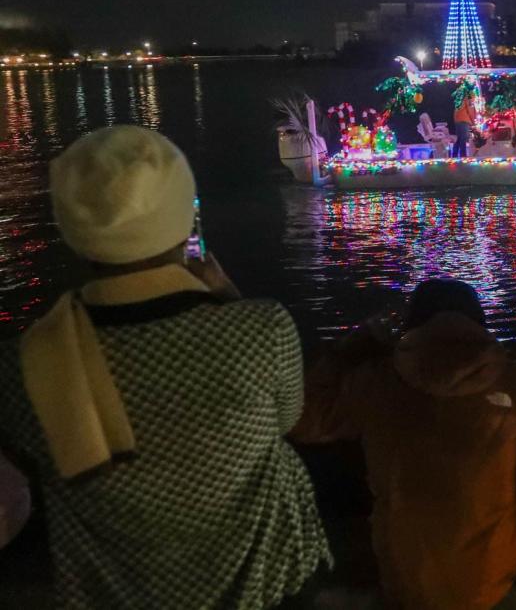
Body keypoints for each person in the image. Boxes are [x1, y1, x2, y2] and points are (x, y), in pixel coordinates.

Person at [0, 125, 329, 609]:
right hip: (269, 581)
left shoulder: (23, 363)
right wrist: (231, 303)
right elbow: (285, 420)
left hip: (122, 593)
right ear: (183, 221)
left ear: (72, 228)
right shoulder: (262, 329)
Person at [292, 278, 516, 610]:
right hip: (490, 576)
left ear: (413, 322)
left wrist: (357, 344)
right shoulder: (512, 379)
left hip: (407, 576)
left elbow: (303, 420)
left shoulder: (378, 379)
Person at [453, 86, 478, 158]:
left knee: (458, 138)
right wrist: (474, 122)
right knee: (464, 138)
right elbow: (470, 111)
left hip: (458, 120)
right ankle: (463, 156)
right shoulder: (467, 98)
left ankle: (454, 155)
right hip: (464, 120)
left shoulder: (458, 99)